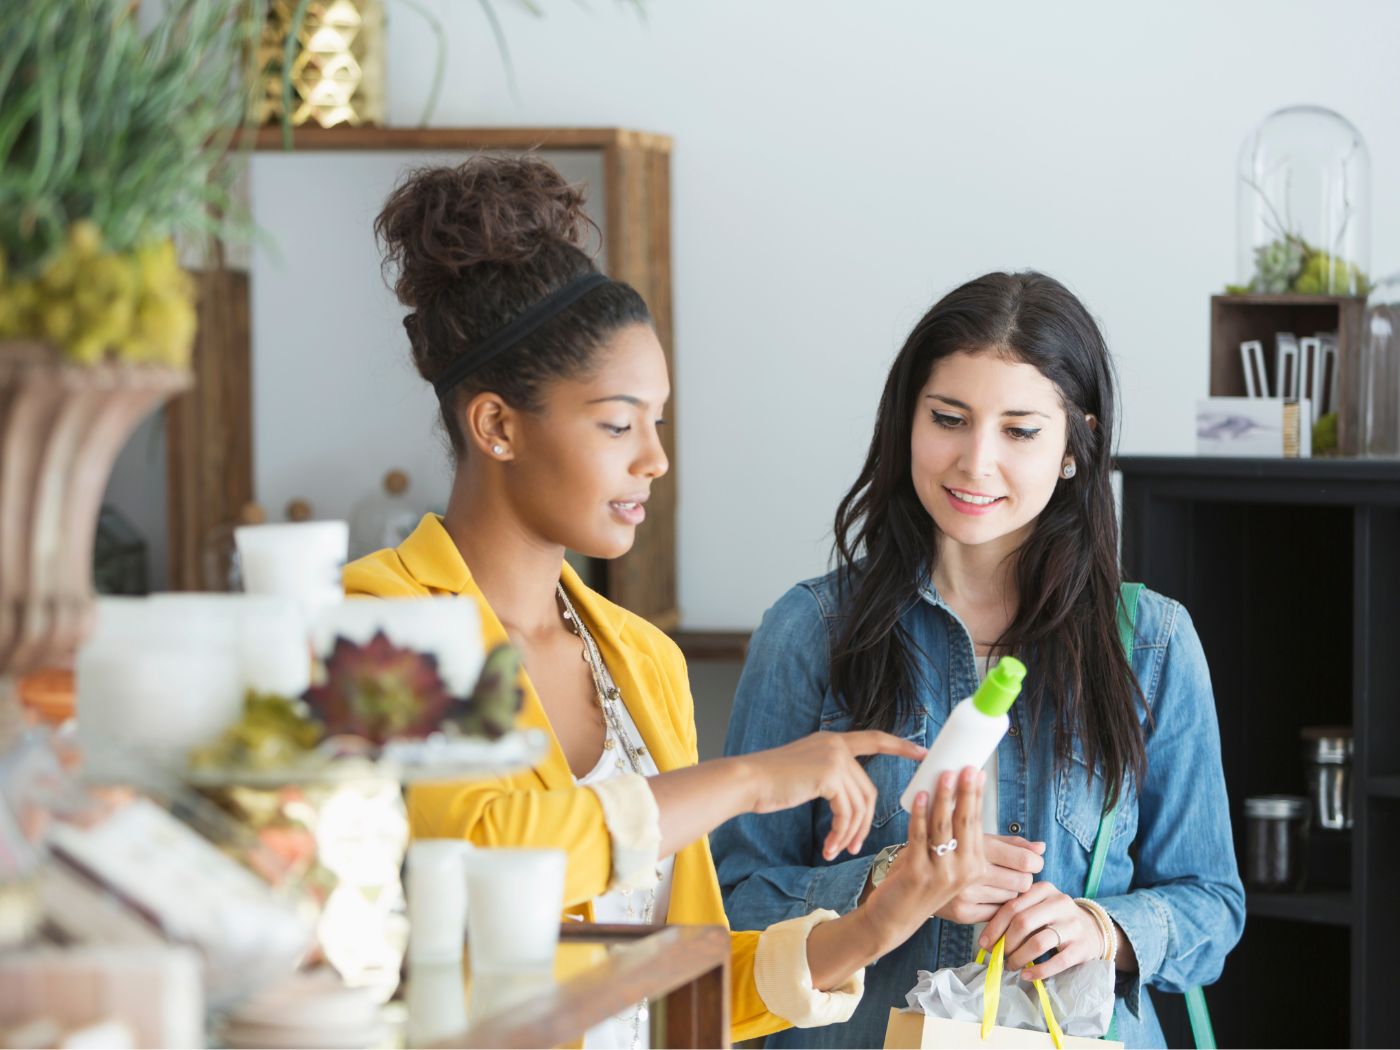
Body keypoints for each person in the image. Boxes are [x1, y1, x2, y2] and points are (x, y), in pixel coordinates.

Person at [343, 155, 989, 1047]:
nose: (654, 458)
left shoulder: (640, 659)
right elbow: (487, 854)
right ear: (495, 426)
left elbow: (679, 986)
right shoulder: (382, 618)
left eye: (658, 421)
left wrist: (882, 921)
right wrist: (751, 779)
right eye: (617, 424)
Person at [711, 271, 1245, 1048]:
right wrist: (885, 883)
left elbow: (1213, 907)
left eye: (1020, 430)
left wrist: (1100, 926)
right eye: (949, 419)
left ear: (1074, 445)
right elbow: (733, 899)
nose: (975, 461)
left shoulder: (1153, 644)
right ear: (907, 422)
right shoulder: (812, 629)